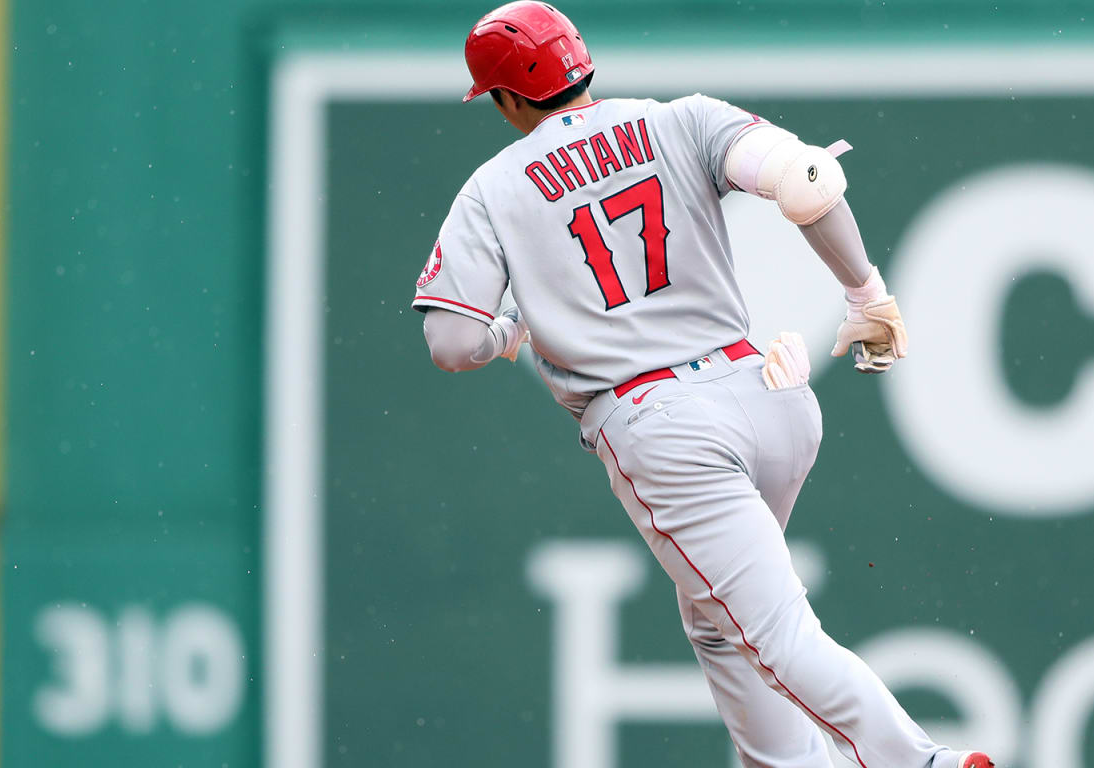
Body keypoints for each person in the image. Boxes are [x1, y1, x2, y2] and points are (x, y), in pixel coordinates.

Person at [412, 3, 993, 768]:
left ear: (505, 97)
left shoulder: (493, 189)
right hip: (768, 390)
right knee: (720, 620)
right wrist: (866, 295)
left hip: (660, 425)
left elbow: (450, 342)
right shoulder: (679, 119)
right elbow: (806, 180)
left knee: (776, 634)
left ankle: (925, 763)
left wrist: (510, 325)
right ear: (582, 65)